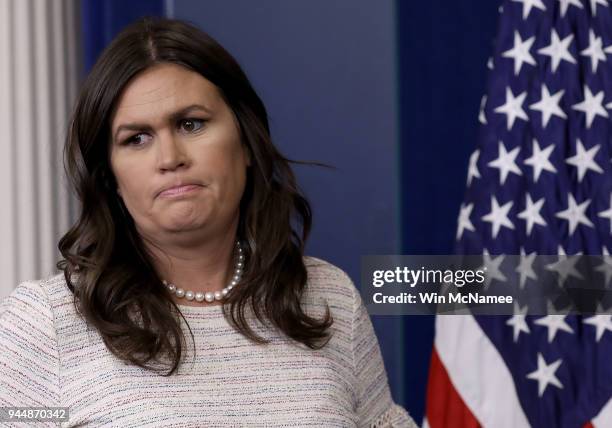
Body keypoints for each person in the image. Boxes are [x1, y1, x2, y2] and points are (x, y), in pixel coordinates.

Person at [0, 17, 417, 427]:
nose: (170, 158)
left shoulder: (329, 297)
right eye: (136, 139)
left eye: (191, 123)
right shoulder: (45, 323)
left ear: (247, 142)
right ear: (111, 177)